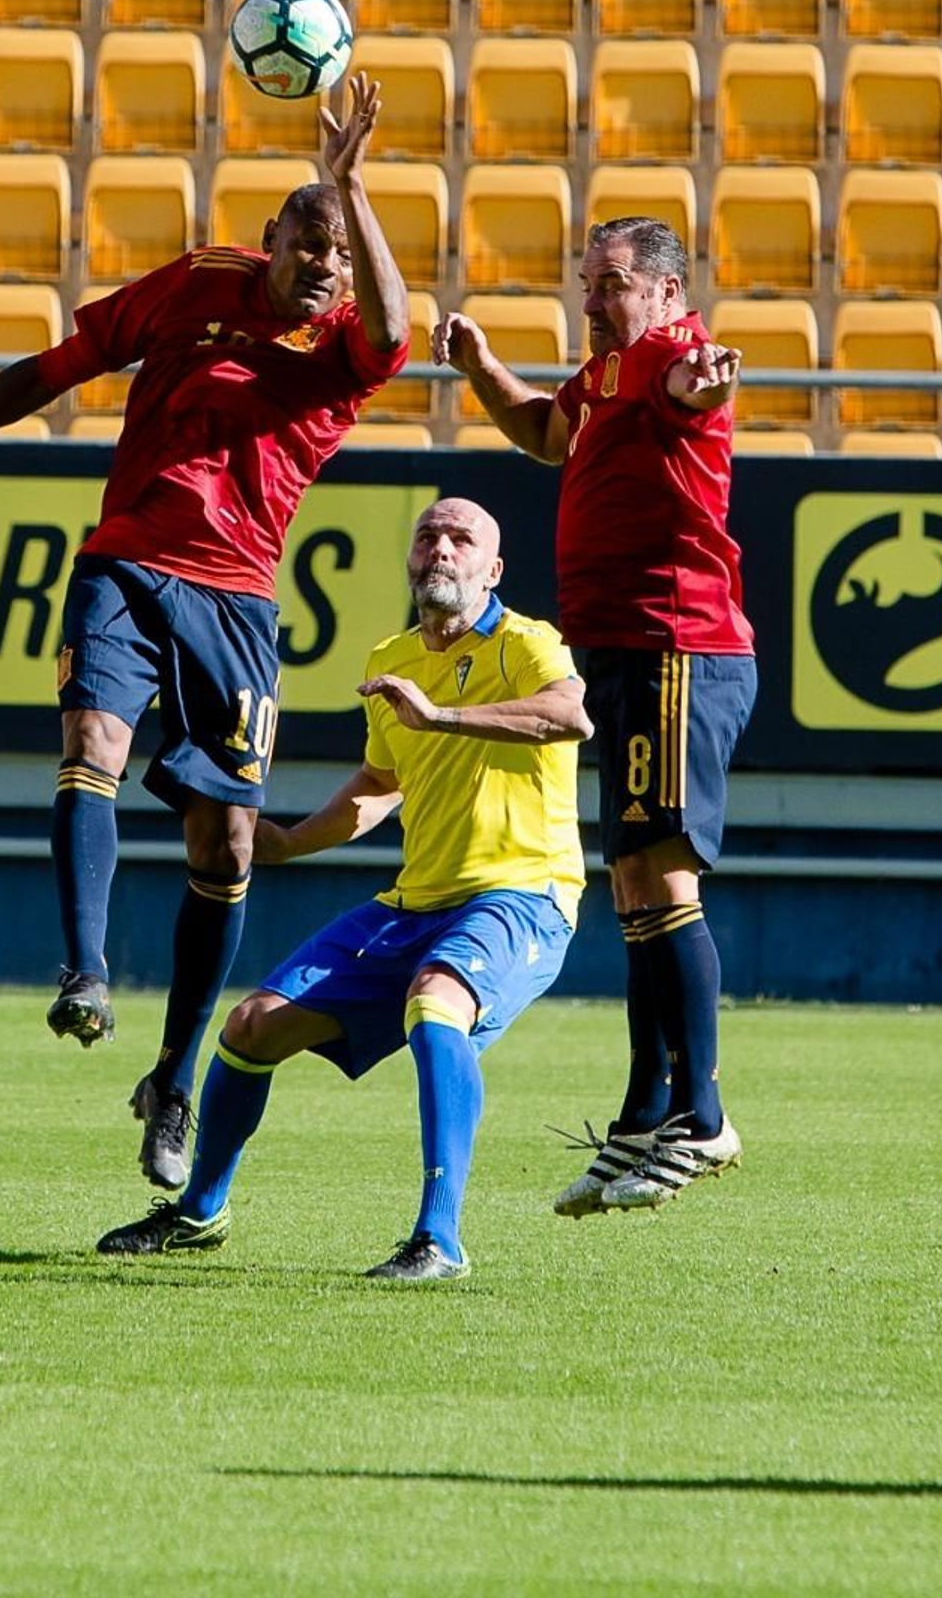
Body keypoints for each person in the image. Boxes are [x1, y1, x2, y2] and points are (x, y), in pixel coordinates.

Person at [0, 74, 408, 1191]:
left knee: (226, 846)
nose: (323, 264)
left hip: (237, 603)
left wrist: (351, 184)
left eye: (338, 252)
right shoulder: (196, 283)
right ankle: (86, 968)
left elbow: (393, 322)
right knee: (92, 745)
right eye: (307, 240)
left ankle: (174, 1076)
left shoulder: (348, 347)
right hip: (128, 563)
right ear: (269, 239)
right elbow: (53, 368)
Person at [95, 497, 588, 1278]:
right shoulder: (392, 655)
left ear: (492, 571)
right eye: (429, 535)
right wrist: (287, 842)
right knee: (252, 1027)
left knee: (436, 1000)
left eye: (462, 540)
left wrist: (444, 717)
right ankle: (200, 1212)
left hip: (524, 895)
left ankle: (439, 1238)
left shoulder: (527, 642)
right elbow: (379, 781)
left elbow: (570, 716)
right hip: (416, 902)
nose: (442, 549)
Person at [434, 216, 756, 1215]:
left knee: (658, 868)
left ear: (663, 290)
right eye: (584, 282)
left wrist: (707, 380)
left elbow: (696, 381)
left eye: (608, 282)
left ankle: (700, 1119)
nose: (590, 299)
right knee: (629, 884)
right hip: (621, 648)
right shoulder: (603, 372)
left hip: (676, 644)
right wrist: (485, 368)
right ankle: (640, 1117)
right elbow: (544, 433)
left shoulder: (666, 356)